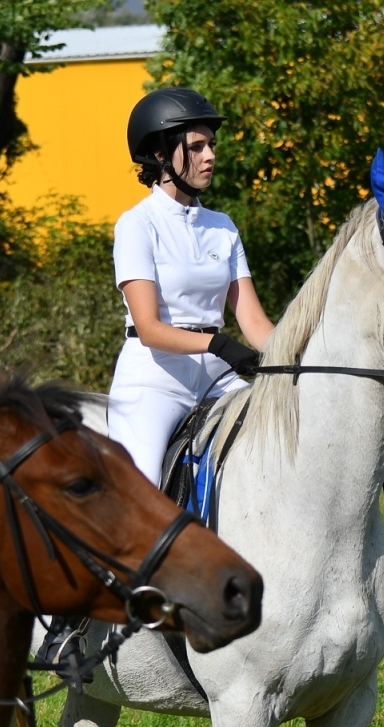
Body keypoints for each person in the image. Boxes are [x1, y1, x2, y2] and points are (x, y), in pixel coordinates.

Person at [108, 87, 275, 484]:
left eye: (211, 145)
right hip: (156, 379)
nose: (211, 155)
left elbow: (253, 321)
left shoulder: (222, 227)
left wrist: (296, 356)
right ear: (162, 154)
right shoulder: (137, 225)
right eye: (197, 146)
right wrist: (218, 344)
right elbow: (149, 329)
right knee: (142, 491)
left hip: (216, 376)